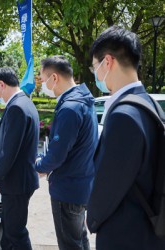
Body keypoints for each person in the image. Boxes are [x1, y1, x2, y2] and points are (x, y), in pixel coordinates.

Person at [86, 26, 165, 250]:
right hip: (149, 228)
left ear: (107, 62)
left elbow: (108, 183)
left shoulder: (123, 115)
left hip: (126, 233)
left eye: (95, 67)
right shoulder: (150, 104)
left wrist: (92, 218)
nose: (96, 74)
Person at [36, 55, 98, 250]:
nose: (42, 84)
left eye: (43, 79)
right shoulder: (83, 101)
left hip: (68, 189)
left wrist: (39, 166)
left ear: (54, 78)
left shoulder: (70, 108)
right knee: (79, 240)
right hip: (81, 184)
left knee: (70, 244)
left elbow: (57, 154)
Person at [0, 67, 39, 250]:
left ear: (1, 84)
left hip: (16, 182)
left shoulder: (16, 107)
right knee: (9, 231)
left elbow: (10, 150)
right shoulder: (24, 102)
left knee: (15, 233)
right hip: (20, 180)